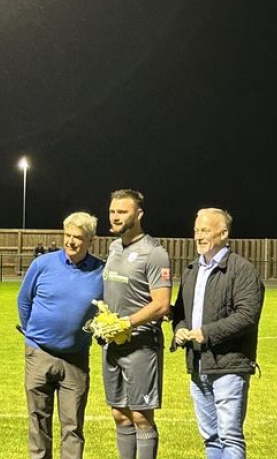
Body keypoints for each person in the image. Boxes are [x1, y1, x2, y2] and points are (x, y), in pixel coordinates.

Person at [172, 208, 265, 459]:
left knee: (229, 436)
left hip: (229, 367)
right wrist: (180, 330)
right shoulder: (192, 269)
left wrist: (207, 333)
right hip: (198, 365)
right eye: (196, 230)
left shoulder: (242, 270)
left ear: (223, 233)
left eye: (205, 230)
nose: (198, 236)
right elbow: (180, 312)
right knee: (210, 438)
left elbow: (247, 316)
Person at [17, 212, 105, 459]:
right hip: (39, 354)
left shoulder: (101, 271)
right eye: (68, 235)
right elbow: (24, 300)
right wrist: (34, 335)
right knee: (38, 422)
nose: (70, 242)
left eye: (78, 237)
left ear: (90, 240)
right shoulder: (42, 264)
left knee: (73, 425)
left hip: (76, 358)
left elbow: (109, 308)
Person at [101, 189, 171, 459]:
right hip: (112, 343)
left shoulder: (154, 253)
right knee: (119, 413)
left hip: (141, 343)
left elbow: (162, 304)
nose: (115, 217)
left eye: (122, 211)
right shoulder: (114, 247)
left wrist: (126, 323)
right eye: (112, 211)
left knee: (141, 416)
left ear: (139, 214)